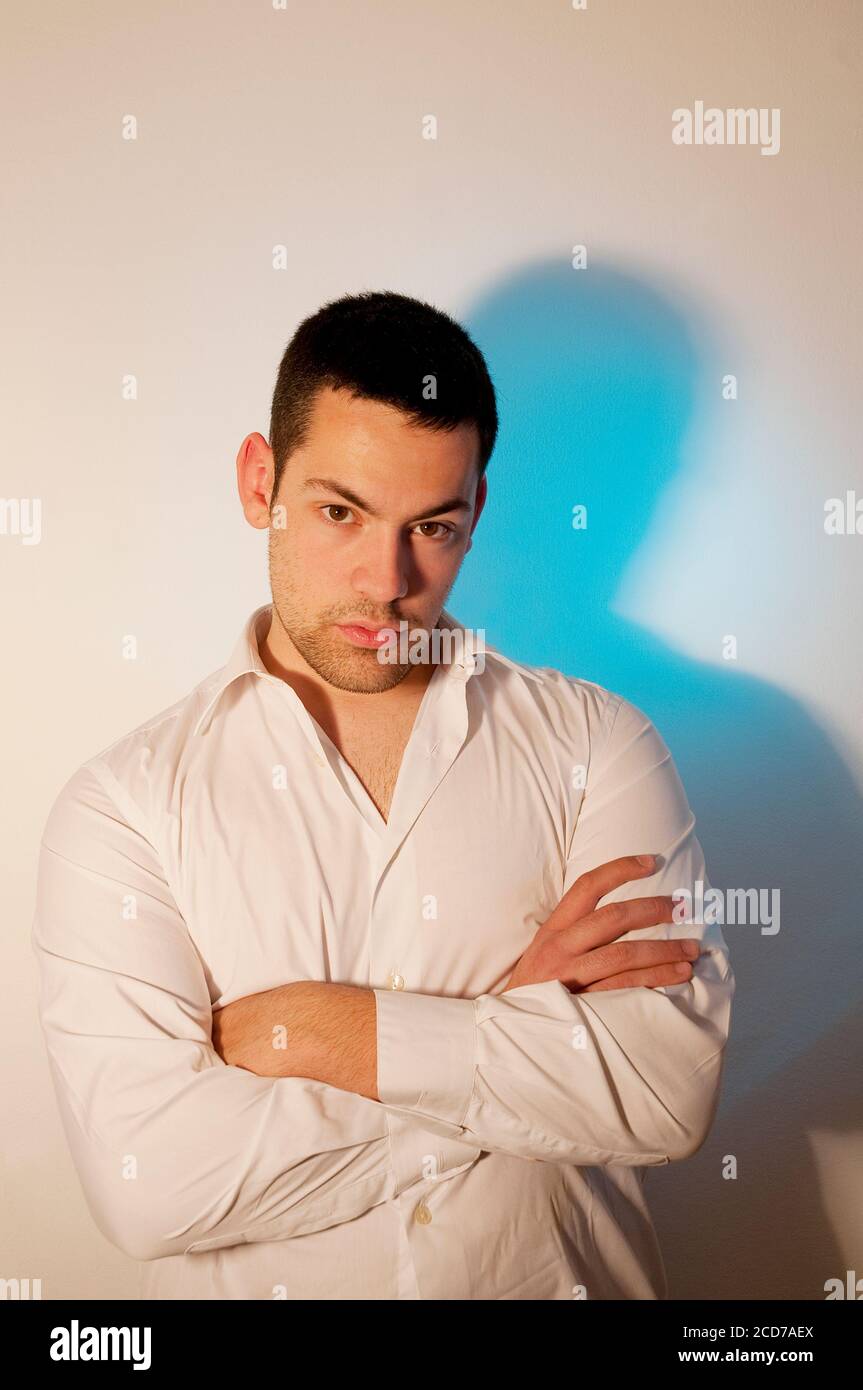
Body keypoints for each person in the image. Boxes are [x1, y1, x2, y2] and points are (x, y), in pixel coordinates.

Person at [32, 289, 734, 1300]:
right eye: (338, 511)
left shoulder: (600, 747)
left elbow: (662, 1097)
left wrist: (320, 1030)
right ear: (258, 480)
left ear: (476, 510)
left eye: (432, 527)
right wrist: (509, 1025)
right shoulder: (122, 813)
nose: (385, 577)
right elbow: (154, 1189)